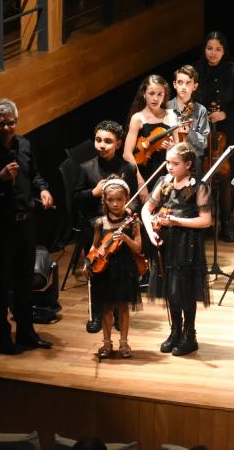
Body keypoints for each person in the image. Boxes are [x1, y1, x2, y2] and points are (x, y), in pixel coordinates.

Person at [0, 98, 55, 354]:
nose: (6, 128)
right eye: (1, 124)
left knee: (24, 282)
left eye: (11, 123)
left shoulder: (24, 144)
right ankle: (3, 338)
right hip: (0, 228)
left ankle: (26, 332)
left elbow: (35, 174)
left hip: (25, 224)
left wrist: (44, 189)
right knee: (0, 285)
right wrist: (0, 177)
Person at [142, 142, 212, 356]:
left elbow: (205, 221)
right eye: (167, 162)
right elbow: (146, 210)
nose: (169, 167)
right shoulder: (164, 182)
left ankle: (190, 335)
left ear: (188, 164)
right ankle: (175, 331)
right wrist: (151, 232)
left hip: (187, 245)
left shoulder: (198, 187)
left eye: (175, 163)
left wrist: (176, 221)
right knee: (170, 288)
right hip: (166, 243)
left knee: (185, 290)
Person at [73, 120, 139, 333]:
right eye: (98, 140)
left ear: (118, 143)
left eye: (108, 141)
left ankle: (119, 313)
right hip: (96, 225)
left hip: (120, 226)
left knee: (120, 273)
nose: (102, 145)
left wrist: (127, 212)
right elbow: (76, 198)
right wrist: (93, 193)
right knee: (97, 270)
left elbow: (135, 200)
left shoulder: (128, 168)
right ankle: (97, 313)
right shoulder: (86, 168)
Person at [193, 31, 234, 241]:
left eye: (218, 49)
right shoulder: (196, 70)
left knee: (227, 178)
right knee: (203, 178)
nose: (213, 53)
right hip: (201, 131)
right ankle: (206, 222)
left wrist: (225, 113)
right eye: (209, 48)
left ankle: (226, 224)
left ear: (224, 51)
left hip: (227, 130)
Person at [84, 177, 143, 359]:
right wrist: (87, 262)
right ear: (104, 200)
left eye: (119, 199)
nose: (115, 204)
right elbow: (95, 246)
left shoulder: (132, 221)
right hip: (104, 270)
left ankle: (124, 343)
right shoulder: (100, 223)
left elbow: (138, 248)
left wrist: (125, 238)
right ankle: (107, 343)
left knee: (123, 307)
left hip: (124, 269)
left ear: (127, 199)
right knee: (106, 308)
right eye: (110, 200)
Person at [124, 75, 177, 191]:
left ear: (164, 96)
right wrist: (140, 183)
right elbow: (127, 153)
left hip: (167, 174)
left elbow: (179, 150)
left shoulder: (171, 116)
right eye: (151, 93)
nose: (155, 98)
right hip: (143, 175)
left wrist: (172, 147)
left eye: (160, 94)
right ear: (144, 94)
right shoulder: (137, 118)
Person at [168, 65, 209, 163]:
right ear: (174, 84)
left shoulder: (201, 110)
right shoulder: (165, 108)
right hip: (170, 160)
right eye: (180, 82)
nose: (183, 87)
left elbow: (204, 143)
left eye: (188, 83)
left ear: (195, 86)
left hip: (193, 161)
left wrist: (189, 132)